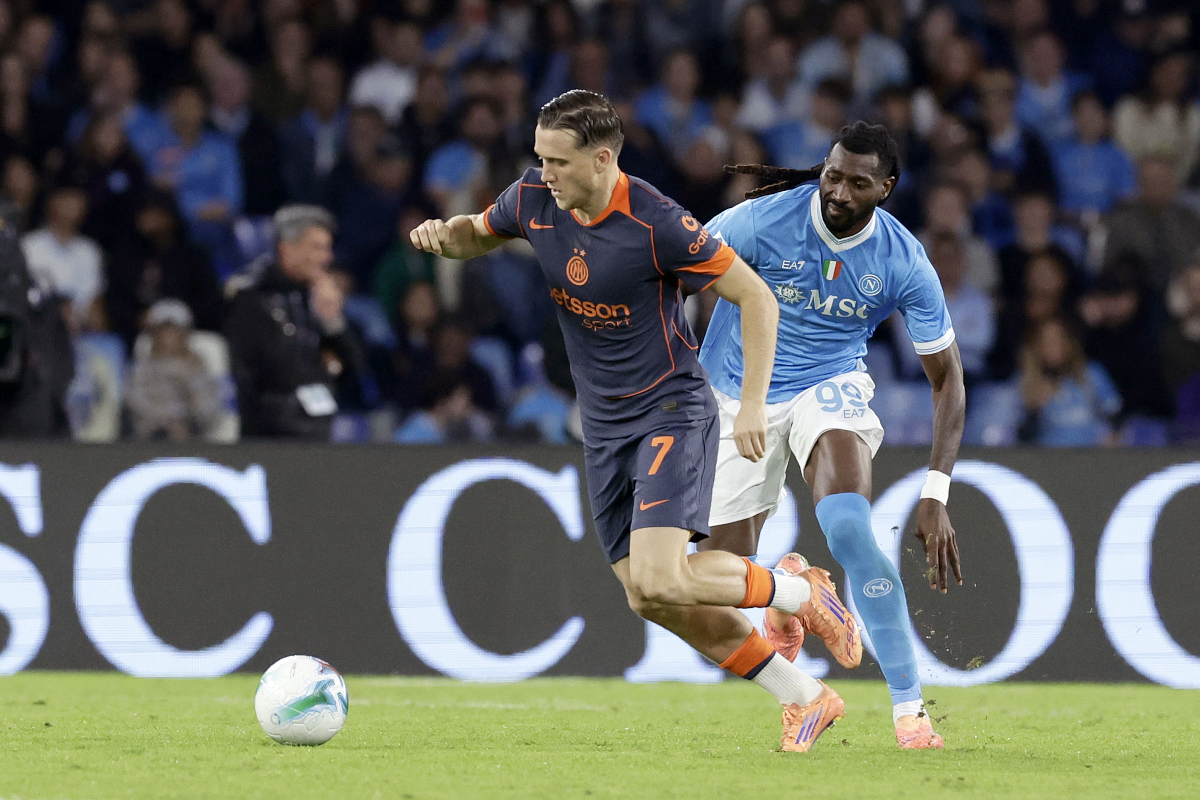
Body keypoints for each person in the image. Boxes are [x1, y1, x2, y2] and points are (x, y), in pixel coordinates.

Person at [410, 90, 860, 754]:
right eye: (539, 158)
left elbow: (755, 298)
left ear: (601, 159)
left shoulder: (658, 225)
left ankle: (800, 591)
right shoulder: (534, 199)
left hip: (669, 411)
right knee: (650, 599)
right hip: (603, 428)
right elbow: (479, 232)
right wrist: (446, 239)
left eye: (557, 162)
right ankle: (805, 698)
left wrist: (756, 405)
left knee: (663, 575)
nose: (544, 173)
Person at [702, 121, 966, 749]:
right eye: (832, 174)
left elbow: (948, 378)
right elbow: (676, 269)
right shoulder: (759, 222)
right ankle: (796, 593)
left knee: (848, 526)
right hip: (737, 393)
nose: (838, 192)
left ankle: (910, 714)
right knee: (717, 582)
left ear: (886, 188)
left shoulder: (902, 259)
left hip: (830, 385)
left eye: (857, 182)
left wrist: (936, 490)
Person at [224, 205, 366, 439]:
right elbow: (270, 372)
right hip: (268, 434)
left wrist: (333, 322)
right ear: (287, 249)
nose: (327, 257)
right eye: (317, 248)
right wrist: (324, 367)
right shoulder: (251, 296)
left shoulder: (320, 295)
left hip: (318, 429)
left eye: (328, 248)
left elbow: (355, 372)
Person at [125, 298, 223, 441]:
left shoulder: (198, 369)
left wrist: (189, 376)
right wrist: (171, 424)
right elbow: (139, 408)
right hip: (153, 445)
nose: (169, 335)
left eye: (175, 329)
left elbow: (211, 413)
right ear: (154, 334)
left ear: (185, 333)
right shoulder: (141, 370)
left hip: (197, 443)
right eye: (163, 329)